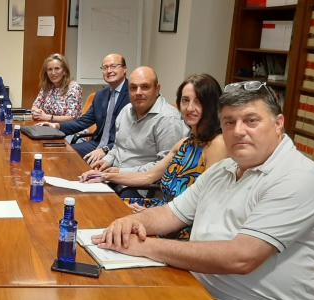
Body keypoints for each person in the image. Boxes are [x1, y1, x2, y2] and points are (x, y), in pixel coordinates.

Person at [94, 82, 314, 300]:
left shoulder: (298, 177)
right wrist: (132, 223)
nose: (238, 131)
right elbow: (170, 214)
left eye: (251, 121)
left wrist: (145, 245)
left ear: (278, 124)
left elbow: (241, 258)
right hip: (195, 288)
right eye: (229, 122)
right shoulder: (223, 169)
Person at [81, 74, 227, 239]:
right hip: (160, 210)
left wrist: (156, 217)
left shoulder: (217, 144)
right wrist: (104, 176)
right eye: (185, 100)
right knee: (96, 211)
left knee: (110, 226)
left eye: (198, 101)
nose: (190, 108)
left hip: (181, 225)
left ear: (212, 105)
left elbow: (205, 204)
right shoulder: (185, 143)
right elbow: (149, 176)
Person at [90, 66, 188, 177]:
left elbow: (166, 166)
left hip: (140, 188)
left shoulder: (168, 119)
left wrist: (121, 172)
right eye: (133, 87)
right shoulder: (126, 110)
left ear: (157, 89)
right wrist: (107, 160)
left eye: (145, 87)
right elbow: (118, 147)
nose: (138, 92)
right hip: (113, 177)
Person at [37, 53, 130, 159]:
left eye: (113, 66)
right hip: (97, 144)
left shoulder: (133, 94)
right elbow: (82, 122)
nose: (109, 71)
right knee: (59, 154)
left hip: (119, 149)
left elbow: (132, 135)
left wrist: (106, 149)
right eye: (105, 67)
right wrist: (57, 126)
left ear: (124, 69)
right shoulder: (100, 95)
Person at [31, 53, 82, 123]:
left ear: (64, 71)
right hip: (48, 126)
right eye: (50, 69)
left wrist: (48, 117)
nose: (53, 73)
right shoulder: (47, 87)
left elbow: (72, 117)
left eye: (57, 68)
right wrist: (36, 112)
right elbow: (35, 106)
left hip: (69, 129)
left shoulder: (74, 88)